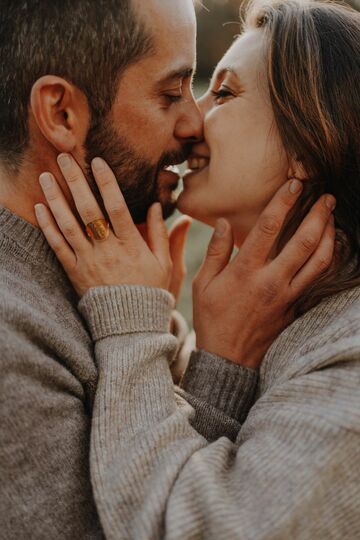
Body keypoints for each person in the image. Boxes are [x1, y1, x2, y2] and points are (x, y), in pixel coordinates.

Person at [35, 0, 360, 538]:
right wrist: (218, 362)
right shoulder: (304, 323)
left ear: (311, 139)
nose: (193, 121)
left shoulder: (348, 360)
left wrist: (132, 319)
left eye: (225, 93)